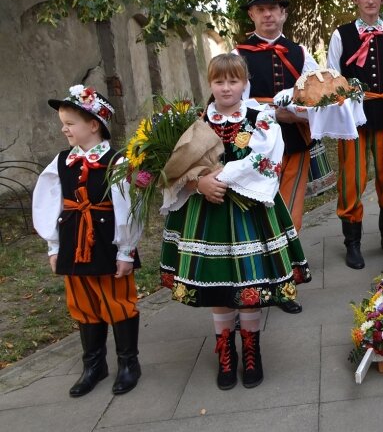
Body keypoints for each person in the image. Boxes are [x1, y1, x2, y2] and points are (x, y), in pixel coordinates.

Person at [160, 54, 309, 390]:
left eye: (233, 81)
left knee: (249, 282)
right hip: (207, 213)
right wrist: (199, 183)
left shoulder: (260, 117)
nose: (226, 88)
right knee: (219, 283)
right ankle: (225, 348)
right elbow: (178, 165)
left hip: (248, 211)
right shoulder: (197, 120)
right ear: (210, 84)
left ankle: (251, 348)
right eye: (219, 81)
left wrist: (221, 178)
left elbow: (264, 157)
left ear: (244, 84)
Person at [33, 85, 143, 397]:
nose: (63, 129)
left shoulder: (118, 161)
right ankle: (94, 364)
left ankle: (128, 363)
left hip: (108, 241)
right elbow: (48, 202)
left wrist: (126, 249)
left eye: (70, 123)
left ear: (93, 125)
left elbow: (128, 208)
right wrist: (54, 245)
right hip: (73, 242)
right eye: (63, 123)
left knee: (117, 300)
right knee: (82, 303)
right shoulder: (60, 161)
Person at [234, 0, 319, 314]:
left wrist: (297, 112)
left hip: (294, 143)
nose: (267, 14)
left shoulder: (300, 53)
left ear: (283, 14)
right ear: (252, 15)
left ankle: (285, 284)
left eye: (273, 8)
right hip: (256, 148)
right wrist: (274, 113)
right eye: (260, 9)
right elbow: (233, 103)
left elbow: (317, 96)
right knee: (259, 211)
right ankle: (258, 277)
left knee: (290, 214)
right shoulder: (238, 55)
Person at [328, 0, 383, 269]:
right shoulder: (342, 34)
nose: (370, 0)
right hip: (353, 117)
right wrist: (344, 101)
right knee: (352, 178)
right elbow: (333, 76)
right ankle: (353, 243)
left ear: (382, 0)